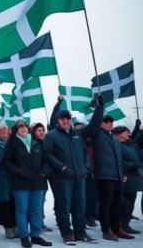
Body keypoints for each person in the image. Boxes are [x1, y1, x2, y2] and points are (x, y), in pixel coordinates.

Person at [44, 96, 103, 245]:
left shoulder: (78, 134)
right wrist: (61, 167)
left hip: (80, 176)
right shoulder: (51, 136)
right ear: (57, 121)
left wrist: (99, 108)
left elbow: (94, 126)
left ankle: (80, 232)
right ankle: (67, 233)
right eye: (62, 119)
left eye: (67, 118)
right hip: (62, 178)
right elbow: (47, 154)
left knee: (80, 206)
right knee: (64, 206)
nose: (65, 121)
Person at [2, 119, 52, 247]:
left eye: (25, 126)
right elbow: (6, 161)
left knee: (36, 211)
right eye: (20, 127)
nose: (23, 128)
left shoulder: (37, 142)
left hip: (38, 182)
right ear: (16, 129)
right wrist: (18, 172)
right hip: (20, 182)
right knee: (22, 210)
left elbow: (46, 160)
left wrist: (44, 172)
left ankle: (35, 235)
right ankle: (24, 236)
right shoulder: (13, 142)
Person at [85, 113, 131, 241]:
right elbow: (93, 124)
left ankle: (117, 228)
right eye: (106, 121)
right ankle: (106, 230)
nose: (110, 123)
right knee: (106, 204)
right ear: (100, 123)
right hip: (104, 175)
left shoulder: (115, 138)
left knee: (117, 203)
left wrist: (123, 173)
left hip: (117, 175)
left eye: (111, 121)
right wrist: (99, 110)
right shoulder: (97, 134)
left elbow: (119, 159)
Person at [0, 121, 17, 239]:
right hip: (1, 178)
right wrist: (7, 161)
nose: (3, 131)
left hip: (14, 177)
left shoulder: (13, 143)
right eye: (0, 130)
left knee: (15, 202)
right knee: (5, 204)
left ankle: (15, 226)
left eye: (5, 129)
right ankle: (8, 227)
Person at [115, 125, 143, 235]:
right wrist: (132, 165)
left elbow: (140, 158)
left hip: (135, 176)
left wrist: (139, 165)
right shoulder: (118, 145)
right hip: (126, 176)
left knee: (132, 200)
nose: (128, 133)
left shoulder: (133, 145)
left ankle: (126, 224)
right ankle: (121, 224)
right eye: (125, 132)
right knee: (124, 202)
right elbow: (119, 160)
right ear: (118, 134)